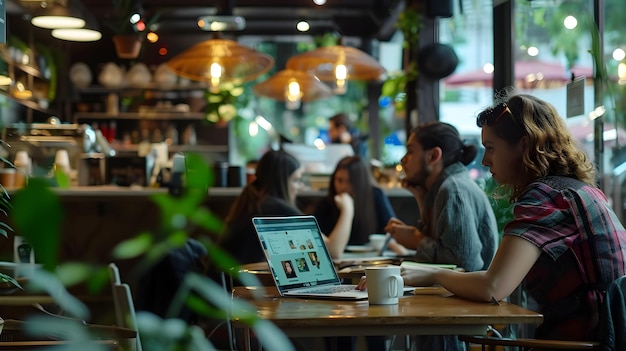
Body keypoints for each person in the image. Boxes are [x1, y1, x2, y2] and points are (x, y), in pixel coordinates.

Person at [361, 93, 626, 344]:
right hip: (601, 334)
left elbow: (493, 286)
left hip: (583, 340)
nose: (485, 160)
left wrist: (433, 274)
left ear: (524, 145)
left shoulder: (546, 196)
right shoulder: (575, 189)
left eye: (491, 148)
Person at [386, 121, 499, 272]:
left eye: (411, 151)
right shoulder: (443, 187)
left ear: (433, 155)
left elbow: (466, 264)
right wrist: (421, 199)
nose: (403, 159)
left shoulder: (453, 190)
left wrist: (417, 241)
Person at [219, 149, 355, 265]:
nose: (299, 187)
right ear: (281, 181)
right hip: (237, 290)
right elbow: (333, 251)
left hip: (222, 287)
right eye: (296, 180)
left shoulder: (256, 202)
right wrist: (347, 209)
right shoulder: (276, 208)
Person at [314, 155, 395, 246]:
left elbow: (391, 232)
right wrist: (347, 209)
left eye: (350, 181)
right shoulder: (326, 203)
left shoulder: (375, 196)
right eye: (339, 180)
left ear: (360, 182)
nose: (343, 187)